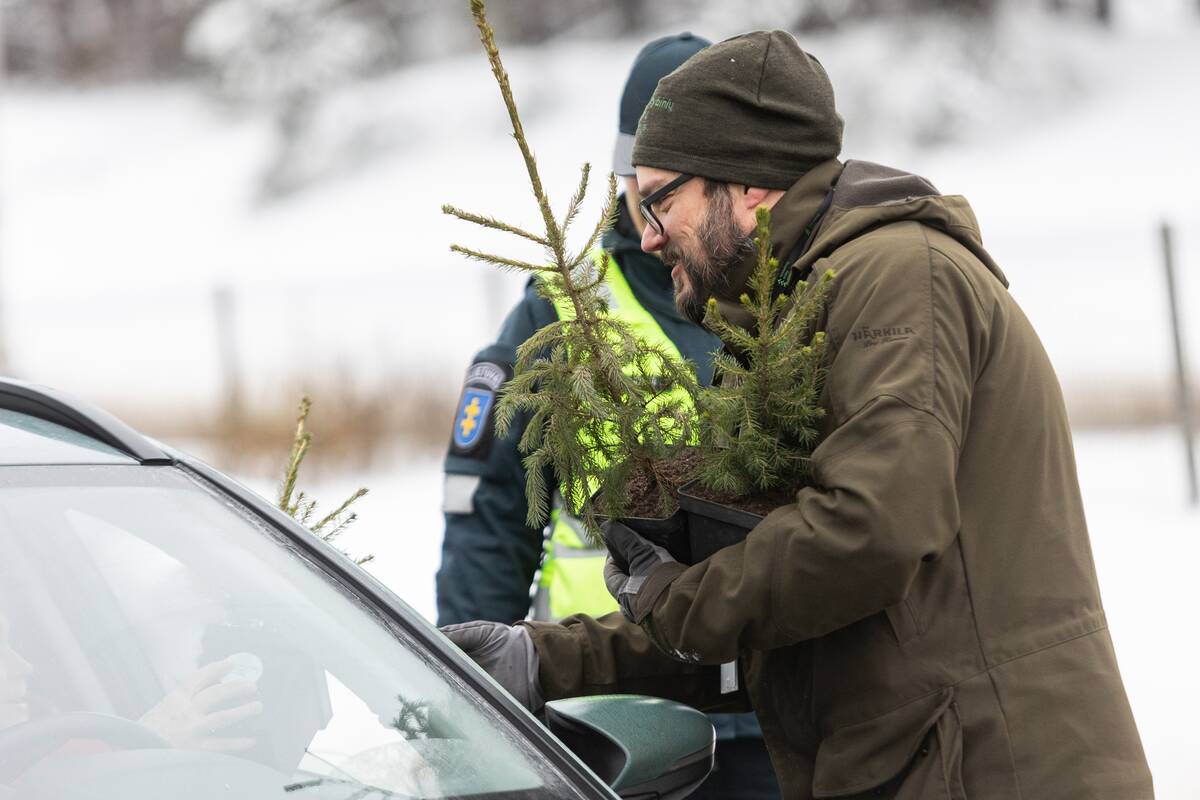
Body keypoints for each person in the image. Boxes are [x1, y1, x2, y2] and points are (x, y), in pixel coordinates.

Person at [442, 29, 1155, 799]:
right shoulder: (786, 314)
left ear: (747, 185)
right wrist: (543, 659)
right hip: (906, 764)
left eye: (662, 200)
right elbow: (755, 597)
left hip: (988, 767)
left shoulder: (899, 278)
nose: (645, 235)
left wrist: (671, 600)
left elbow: (868, 533)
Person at [436, 33, 782, 799]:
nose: (659, 212)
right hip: (613, 721)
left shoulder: (796, 292)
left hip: (778, 710)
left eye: (679, 187)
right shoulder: (563, 310)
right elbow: (488, 517)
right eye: (644, 185)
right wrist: (473, 709)